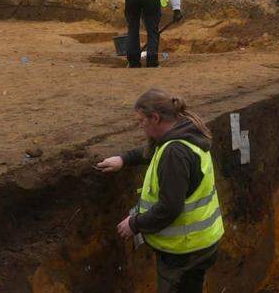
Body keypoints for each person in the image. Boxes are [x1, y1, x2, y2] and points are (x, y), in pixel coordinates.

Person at [96, 89, 223, 293]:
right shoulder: (187, 135)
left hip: (184, 251)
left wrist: (134, 224)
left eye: (142, 121)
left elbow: (169, 208)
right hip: (201, 243)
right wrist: (123, 159)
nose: (141, 127)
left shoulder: (175, 152)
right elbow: (153, 152)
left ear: (155, 118)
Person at [125, 0, 182, 68]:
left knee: (132, 27)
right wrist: (176, 9)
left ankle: (133, 61)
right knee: (152, 29)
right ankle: (152, 61)